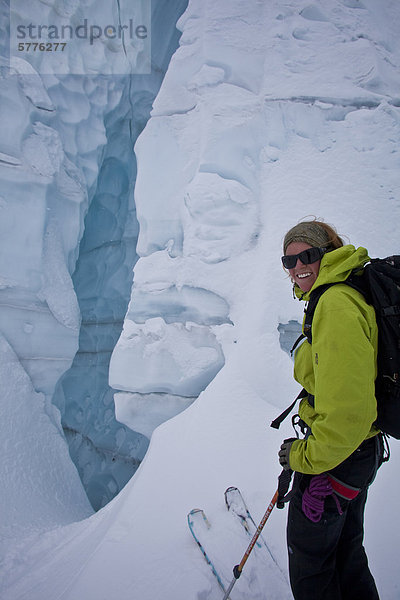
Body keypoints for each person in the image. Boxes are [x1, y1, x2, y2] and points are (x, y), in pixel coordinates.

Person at [278, 219, 384, 600]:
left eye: (305, 256)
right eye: (288, 261)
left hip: (336, 458)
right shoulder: (337, 294)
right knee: (345, 556)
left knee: (312, 569)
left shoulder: (336, 305)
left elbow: (347, 415)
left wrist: (302, 456)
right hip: (357, 453)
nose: (296, 267)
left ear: (326, 253)